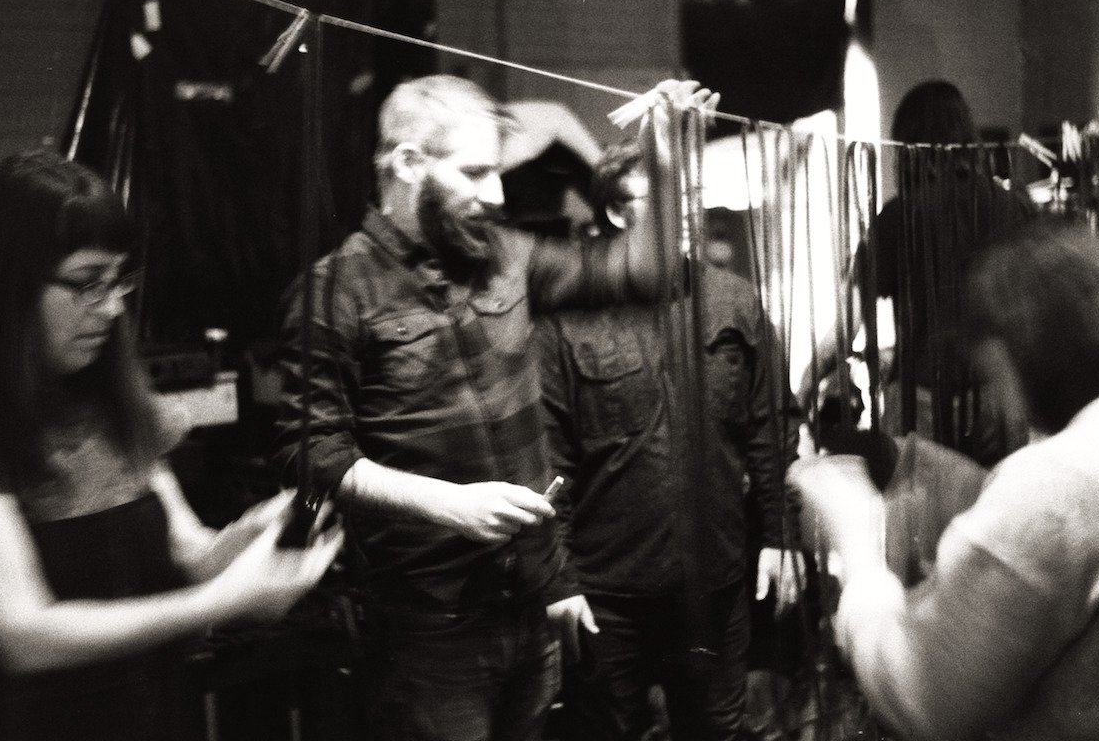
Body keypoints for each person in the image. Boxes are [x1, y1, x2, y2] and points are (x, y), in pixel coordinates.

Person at [270, 75, 718, 741]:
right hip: (431, 632)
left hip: (528, 607)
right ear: (408, 164)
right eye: (475, 173)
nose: (498, 194)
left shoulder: (505, 256)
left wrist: (663, 150)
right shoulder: (337, 290)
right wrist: (446, 504)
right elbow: (312, 454)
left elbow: (648, 273)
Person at [0, 149, 343, 740]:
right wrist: (222, 602)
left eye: (119, 281)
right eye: (87, 284)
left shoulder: (114, 405)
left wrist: (248, 535)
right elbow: (21, 631)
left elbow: (186, 552)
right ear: (3, 286)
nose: (112, 307)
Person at [789, 219, 1099, 741]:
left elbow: (924, 696)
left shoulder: (1058, 484)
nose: (999, 401)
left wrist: (857, 542)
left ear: (1024, 353)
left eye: (992, 376)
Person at [534, 138, 804, 741]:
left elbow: (770, 426)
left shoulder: (732, 300)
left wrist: (782, 537)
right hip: (608, 596)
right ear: (613, 213)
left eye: (686, 198)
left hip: (715, 584)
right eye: (659, 198)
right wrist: (558, 580)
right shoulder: (567, 312)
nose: (680, 211)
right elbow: (549, 455)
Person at [799, 80, 1035, 463]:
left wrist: (809, 379)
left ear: (909, 145)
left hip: (923, 404)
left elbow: (848, 323)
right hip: (1000, 400)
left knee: (925, 520)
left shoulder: (899, 217)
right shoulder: (1014, 208)